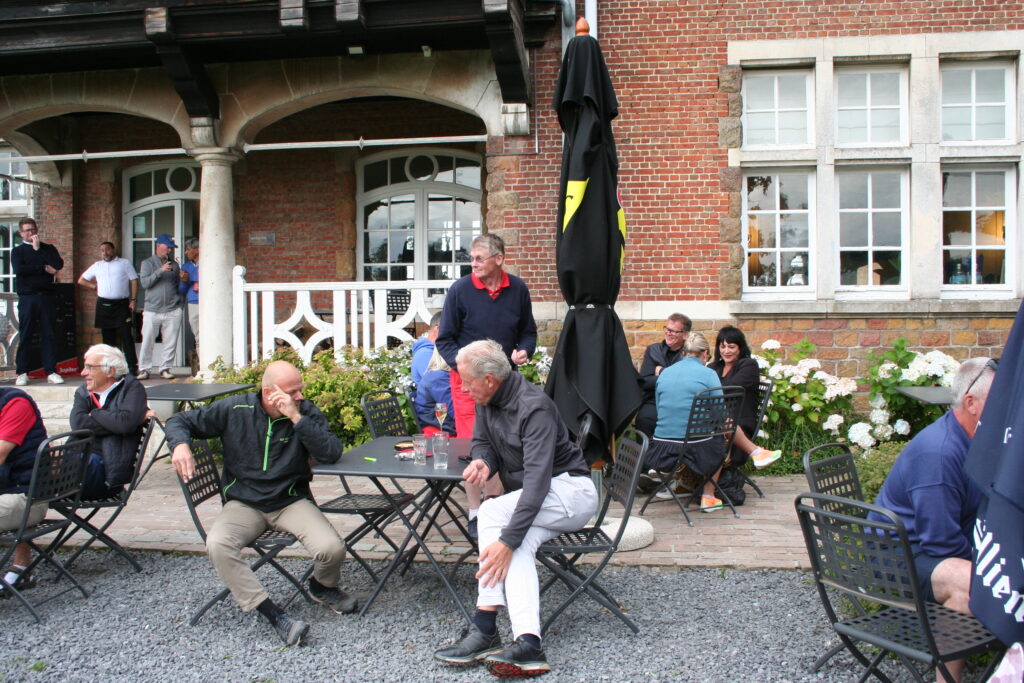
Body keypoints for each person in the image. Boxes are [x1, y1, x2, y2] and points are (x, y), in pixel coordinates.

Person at [433, 340, 597, 678]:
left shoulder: (534, 408)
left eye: (467, 381)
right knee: (518, 546)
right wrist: (483, 462)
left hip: (571, 493)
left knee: (493, 515)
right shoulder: (486, 398)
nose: (462, 388)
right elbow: (482, 442)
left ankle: (485, 625)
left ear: (490, 379)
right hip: (542, 497)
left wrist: (506, 541)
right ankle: (528, 643)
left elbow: (536, 484)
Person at [164, 360, 356, 646]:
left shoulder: (305, 411)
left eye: (300, 389)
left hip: (290, 500)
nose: (300, 396)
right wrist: (180, 445)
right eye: (292, 392)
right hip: (244, 503)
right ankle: (273, 614)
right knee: (218, 544)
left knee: (331, 548)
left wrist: (296, 417)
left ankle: (321, 587)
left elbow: (330, 453)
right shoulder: (234, 409)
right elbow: (179, 421)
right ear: (269, 392)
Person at [871, 357, 993, 683]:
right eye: (1002, 399)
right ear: (971, 403)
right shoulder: (939, 453)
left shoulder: (980, 440)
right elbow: (941, 543)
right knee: (969, 583)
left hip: (929, 544)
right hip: (898, 556)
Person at [436, 234, 534, 536]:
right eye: (472, 258)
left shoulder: (518, 289)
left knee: (505, 441)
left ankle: (495, 507)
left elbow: (528, 332)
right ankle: (475, 511)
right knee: (475, 444)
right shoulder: (460, 290)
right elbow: (444, 340)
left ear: (498, 259)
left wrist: (524, 350)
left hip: (505, 384)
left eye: (479, 258)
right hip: (467, 384)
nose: (473, 264)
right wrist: (467, 370)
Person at [642, 333, 729, 512]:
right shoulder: (708, 374)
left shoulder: (665, 373)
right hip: (694, 445)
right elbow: (720, 414)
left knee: (696, 436)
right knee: (718, 440)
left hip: (660, 445)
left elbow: (659, 407)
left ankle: (673, 474)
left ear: (684, 352)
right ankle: (708, 497)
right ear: (705, 353)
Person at [69, 344, 148, 500]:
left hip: (106, 472)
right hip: (77, 459)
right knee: (37, 463)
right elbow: (78, 424)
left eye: (89, 367)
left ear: (110, 371)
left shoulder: (132, 388)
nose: (83, 373)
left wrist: (95, 413)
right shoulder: (83, 391)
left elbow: (125, 424)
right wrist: (115, 421)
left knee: (36, 486)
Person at [707, 325, 781, 469]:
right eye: (722, 346)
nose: (726, 351)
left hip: (739, 423)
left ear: (740, 347)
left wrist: (709, 391)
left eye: (731, 347)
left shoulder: (748, 365)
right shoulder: (713, 367)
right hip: (713, 421)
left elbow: (730, 389)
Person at [0, 386, 49, 593]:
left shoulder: (15, 403)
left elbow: (0, 454)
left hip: (28, 499)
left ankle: (21, 569)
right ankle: (22, 570)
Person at [12, 217, 65, 386]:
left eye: (33, 229)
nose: (31, 233)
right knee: (26, 333)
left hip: (47, 297)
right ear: (21, 233)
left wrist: (38, 250)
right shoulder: (18, 251)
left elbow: (58, 264)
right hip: (28, 297)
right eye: (27, 230)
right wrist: (43, 268)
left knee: (49, 334)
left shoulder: (47, 248)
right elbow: (20, 270)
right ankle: (22, 372)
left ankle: (51, 371)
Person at [77, 242, 140, 376]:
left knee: (126, 336)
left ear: (113, 249)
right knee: (108, 340)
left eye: (107, 249)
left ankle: (132, 368)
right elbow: (81, 280)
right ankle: (110, 369)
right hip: (104, 305)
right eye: (102, 250)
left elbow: (134, 280)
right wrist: (94, 286)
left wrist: (133, 300)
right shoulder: (97, 265)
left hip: (121, 304)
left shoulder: (124, 263)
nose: (105, 252)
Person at [634, 313, 691, 436]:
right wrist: (673, 377)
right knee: (644, 419)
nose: (668, 333)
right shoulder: (653, 350)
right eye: (667, 329)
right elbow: (645, 381)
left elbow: (686, 382)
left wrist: (661, 372)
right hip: (654, 400)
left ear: (685, 335)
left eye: (674, 331)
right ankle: (646, 449)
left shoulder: (690, 353)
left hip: (680, 401)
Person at [137, 233, 182, 380]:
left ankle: (165, 369)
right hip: (152, 310)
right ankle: (144, 369)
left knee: (170, 342)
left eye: (171, 248)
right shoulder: (147, 263)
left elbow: (177, 285)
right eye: (167, 247)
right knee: (147, 340)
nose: (169, 250)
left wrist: (179, 303)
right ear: (158, 246)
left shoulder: (174, 265)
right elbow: (145, 284)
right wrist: (160, 271)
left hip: (172, 309)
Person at [413, 349, 455, 436]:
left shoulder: (437, 374)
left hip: (439, 424)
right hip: (440, 431)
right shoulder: (439, 377)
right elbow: (455, 411)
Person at [178, 237, 200, 375]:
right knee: (198, 336)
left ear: (197, 250)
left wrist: (191, 278)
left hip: (211, 303)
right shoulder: (186, 267)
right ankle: (203, 365)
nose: (186, 252)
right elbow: (182, 290)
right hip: (193, 302)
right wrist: (184, 281)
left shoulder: (209, 262)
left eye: (188, 249)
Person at [411, 312, 441, 400]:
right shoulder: (425, 353)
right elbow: (436, 386)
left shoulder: (432, 350)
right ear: (438, 328)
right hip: (432, 405)